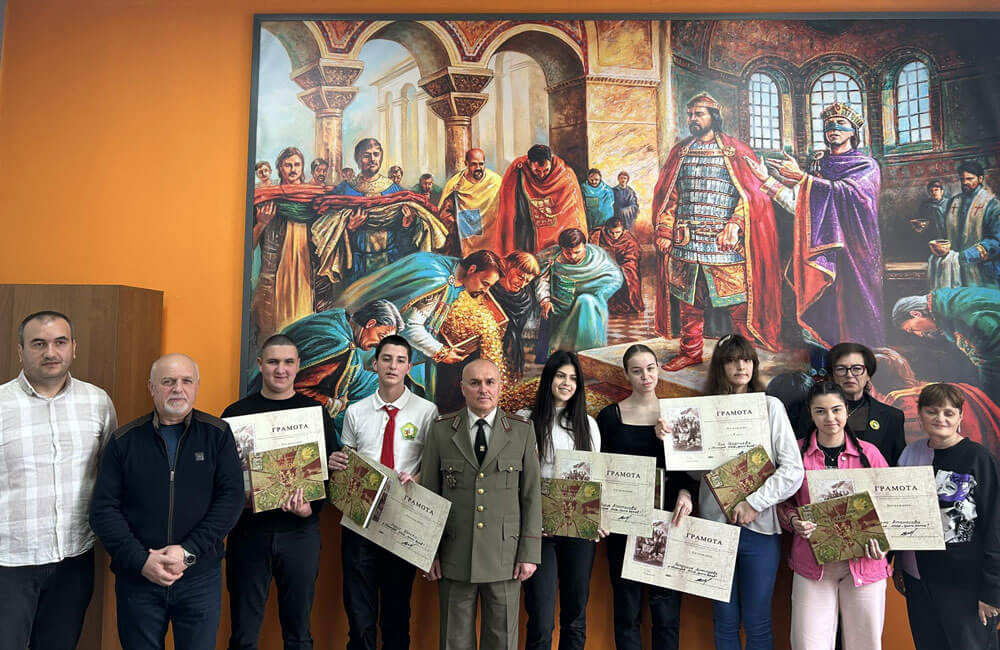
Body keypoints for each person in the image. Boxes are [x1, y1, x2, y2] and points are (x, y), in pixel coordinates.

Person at [90, 354, 244, 649]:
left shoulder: (218, 435)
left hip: (199, 578)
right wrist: (141, 561)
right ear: (151, 387)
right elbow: (103, 510)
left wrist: (188, 552)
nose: (178, 388)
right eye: (168, 381)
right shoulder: (124, 441)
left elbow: (231, 499)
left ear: (196, 386)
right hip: (138, 580)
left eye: (186, 381)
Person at [667, 334, 803, 650]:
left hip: (760, 530)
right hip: (715, 530)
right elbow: (697, 474)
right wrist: (674, 442)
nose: (741, 366)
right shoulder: (701, 410)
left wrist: (754, 502)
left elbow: (793, 470)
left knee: (758, 622)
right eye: (731, 360)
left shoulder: (770, 407)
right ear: (720, 366)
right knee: (724, 622)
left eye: (746, 359)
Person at [0, 311, 117, 650]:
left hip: (73, 559)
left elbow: (110, 475)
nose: (50, 352)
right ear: (21, 351)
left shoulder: (98, 402)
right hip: (10, 561)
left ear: (73, 348)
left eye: (59, 342)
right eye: (38, 344)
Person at [221, 335, 338, 650]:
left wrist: (311, 508)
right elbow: (221, 478)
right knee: (243, 635)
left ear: (298, 365)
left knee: (299, 634)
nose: (281, 369)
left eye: (288, 362)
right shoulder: (235, 414)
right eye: (273, 362)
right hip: (248, 534)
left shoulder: (316, 413)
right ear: (260, 365)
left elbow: (330, 474)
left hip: (300, 533)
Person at [653, 92, 782, 371]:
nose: (693, 119)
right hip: (686, 242)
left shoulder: (736, 151)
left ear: (713, 116)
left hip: (724, 244)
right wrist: (664, 230)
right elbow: (670, 196)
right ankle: (691, 352)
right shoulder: (681, 151)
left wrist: (735, 224)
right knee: (689, 302)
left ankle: (743, 355)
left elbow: (752, 197)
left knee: (738, 303)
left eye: (699, 114)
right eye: (690, 114)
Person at [421, 359, 542, 650]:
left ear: (500, 386)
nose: (483, 389)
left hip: (505, 556)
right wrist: (428, 553)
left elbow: (531, 495)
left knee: (502, 640)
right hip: (454, 554)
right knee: (454, 640)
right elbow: (429, 493)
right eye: (474, 383)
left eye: (490, 382)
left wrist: (529, 553)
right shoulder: (441, 430)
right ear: (462, 388)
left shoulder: (522, 431)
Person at [328, 335, 438, 650]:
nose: (392, 366)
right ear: (374, 363)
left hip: (402, 519)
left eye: (400, 360)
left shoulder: (426, 411)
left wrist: (417, 477)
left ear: (409, 367)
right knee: (359, 613)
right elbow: (348, 459)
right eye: (386, 359)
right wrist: (337, 463)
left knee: (396, 612)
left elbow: (433, 464)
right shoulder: (356, 411)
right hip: (360, 519)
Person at [751, 102, 884, 359]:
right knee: (822, 313)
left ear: (853, 132)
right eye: (829, 125)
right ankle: (821, 371)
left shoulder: (866, 165)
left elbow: (855, 197)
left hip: (854, 255)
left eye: (841, 124)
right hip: (821, 253)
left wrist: (803, 178)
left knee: (852, 313)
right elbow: (799, 207)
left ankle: (857, 368)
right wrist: (767, 180)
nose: (833, 129)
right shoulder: (818, 166)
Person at [596, 344, 698, 650]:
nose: (646, 376)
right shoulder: (609, 417)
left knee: (666, 611)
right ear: (626, 374)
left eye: (651, 368)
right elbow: (600, 470)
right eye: (637, 371)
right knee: (627, 611)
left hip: (666, 521)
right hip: (623, 524)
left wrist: (685, 493)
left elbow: (689, 470)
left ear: (658, 369)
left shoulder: (676, 414)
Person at [778, 382, 891, 650]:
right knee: (808, 643)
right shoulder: (796, 453)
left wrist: (884, 543)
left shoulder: (869, 454)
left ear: (847, 411)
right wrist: (794, 521)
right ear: (811, 413)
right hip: (812, 562)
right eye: (821, 411)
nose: (830, 418)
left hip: (865, 562)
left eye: (836, 409)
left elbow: (890, 504)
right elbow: (782, 502)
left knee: (866, 643)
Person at [894, 382, 1000, 649]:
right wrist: (899, 566)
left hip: (965, 584)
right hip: (918, 580)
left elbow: (995, 526)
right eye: (932, 411)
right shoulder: (910, 454)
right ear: (920, 415)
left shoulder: (979, 458)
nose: (940, 418)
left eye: (949, 413)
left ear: (960, 417)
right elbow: (898, 511)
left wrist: (992, 590)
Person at [337, 250, 504, 404]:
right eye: (485, 283)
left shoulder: (449, 267)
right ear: (472, 269)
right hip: (378, 343)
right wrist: (442, 352)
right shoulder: (437, 281)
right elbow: (410, 327)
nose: (485, 290)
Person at [520, 351, 603, 650]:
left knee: (575, 617)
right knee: (540, 620)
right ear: (548, 378)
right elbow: (515, 479)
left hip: (578, 531)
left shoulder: (588, 425)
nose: (567, 383)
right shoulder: (524, 420)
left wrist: (599, 516)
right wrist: (529, 523)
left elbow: (595, 479)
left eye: (573, 378)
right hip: (539, 533)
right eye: (560, 376)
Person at [252, 300, 403, 439]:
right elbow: (297, 388)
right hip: (284, 419)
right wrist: (333, 405)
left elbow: (354, 372)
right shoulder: (337, 345)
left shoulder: (338, 320)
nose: (380, 345)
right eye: (381, 336)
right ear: (370, 323)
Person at [326, 138, 448, 284]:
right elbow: (331, 233)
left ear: (381, 157)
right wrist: (350, 229)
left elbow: (406, 241)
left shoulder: (395, 190)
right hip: (357, 265)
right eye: (366, 155)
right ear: (357, 159)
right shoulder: (345, 189)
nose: (372, 159)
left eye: (376, 154)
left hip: (390, 263)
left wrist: (406, 226)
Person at [793, 343, 906, 465]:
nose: (849, 375)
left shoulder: (892, 417)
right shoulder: (806, 413)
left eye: (857, 368)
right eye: (841, 369)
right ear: (831, 375)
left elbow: (899, 468)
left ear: (868, 374)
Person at [892, 287, 1000, 405]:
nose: (919, 334)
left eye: (912, 329)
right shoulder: (945, 306)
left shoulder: (962, 314)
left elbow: (993, 359)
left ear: (916, 314)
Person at [534, 227, 623, 361]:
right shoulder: (552, 258)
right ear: (561, 249)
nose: (573, 257)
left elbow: (615, 277)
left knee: (585, 301)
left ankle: (587, 357)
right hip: (559, 307)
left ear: (584, 246)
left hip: (590, 305)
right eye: (568, 253)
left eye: (577, 252)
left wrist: (599, 295)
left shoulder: (597, 257)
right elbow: (542, 280)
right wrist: (545, 300)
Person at [495, 144, 588, 255]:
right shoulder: (520, 171)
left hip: (557, 236)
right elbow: (509, 207)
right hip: (529, 233)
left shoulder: (565, 176)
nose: (542, 175)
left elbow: (572, 214)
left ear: (551, 161)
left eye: (546, 170)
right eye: (537, 171)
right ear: (529, 163)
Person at [927, 161, 1000, 289]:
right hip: (955, 268)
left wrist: (967, 255)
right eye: (962, 179)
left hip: (982, 271)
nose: (965, 182)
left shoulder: (992, 204)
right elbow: (945, 232)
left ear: (980, 179)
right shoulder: (954, 202)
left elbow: (996, 241)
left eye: (970, 179)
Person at [438, 149, 504, 256]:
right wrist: (456, 227)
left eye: (481, 164)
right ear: (466, 163)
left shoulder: (496, 182)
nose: (478, 168)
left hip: (492, 239)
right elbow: (444, 213)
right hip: (465, 241)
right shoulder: (455, 184)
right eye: (474, 164)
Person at [491, 251, 541, 380]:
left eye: (527, 281)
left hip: (511, 347)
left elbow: (518, 328)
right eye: (520, 277)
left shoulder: (526, 298)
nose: (522, 284)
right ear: (510, 266)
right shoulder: (491, 287)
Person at [591, 216, 645, 314]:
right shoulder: (597, 236)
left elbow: (632, 259)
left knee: (630, 274)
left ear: (623, 230)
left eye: (618, 232)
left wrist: (621, 269)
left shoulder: (629, 241)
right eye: (611, 232)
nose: (614, 236)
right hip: (602, 267)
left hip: (622, 269)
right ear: (606, 229)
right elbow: (592, 254)